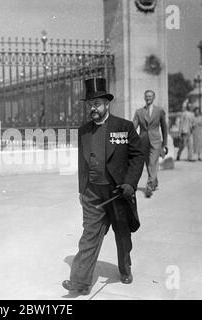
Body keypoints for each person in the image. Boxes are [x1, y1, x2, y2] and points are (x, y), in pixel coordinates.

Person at [62, 78, 144, 294]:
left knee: (122, 235)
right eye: (90, 104)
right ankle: (79, 283)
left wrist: (129, 183)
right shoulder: (83, 131)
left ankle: (125, 269)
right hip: (92, 194)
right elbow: (82, 163)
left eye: (97, 104)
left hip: (117, 193)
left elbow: (137, 157)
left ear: (107, 104)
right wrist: (82, 190)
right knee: (89, 236)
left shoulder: (124, 127)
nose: (93, 108)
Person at [132, 90, 168, 198]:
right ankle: (154, 182)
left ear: (154, 97)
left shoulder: (159, 110)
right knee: (148, 164)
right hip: (143, 141)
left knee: (153, 163)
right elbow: (133, 127)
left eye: (150, 96)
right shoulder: (139, 112)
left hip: (156, 141)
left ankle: (149, 187)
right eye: (146, 96)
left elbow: (164, 127)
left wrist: (165, 143)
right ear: (144, 98)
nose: (148, 98)